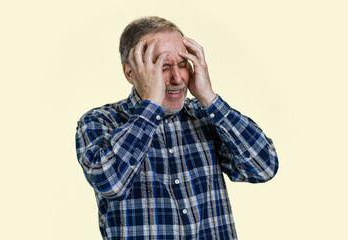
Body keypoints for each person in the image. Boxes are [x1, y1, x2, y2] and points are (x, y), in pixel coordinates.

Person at [75, 16, 279, 240]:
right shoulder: (99, 122)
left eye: (183, 65)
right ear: (130, 72)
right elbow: (111, 183)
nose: (177, 78)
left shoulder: (206, 115)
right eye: (163, 67)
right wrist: (151, 104)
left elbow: (264, 167)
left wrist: (209, 98)